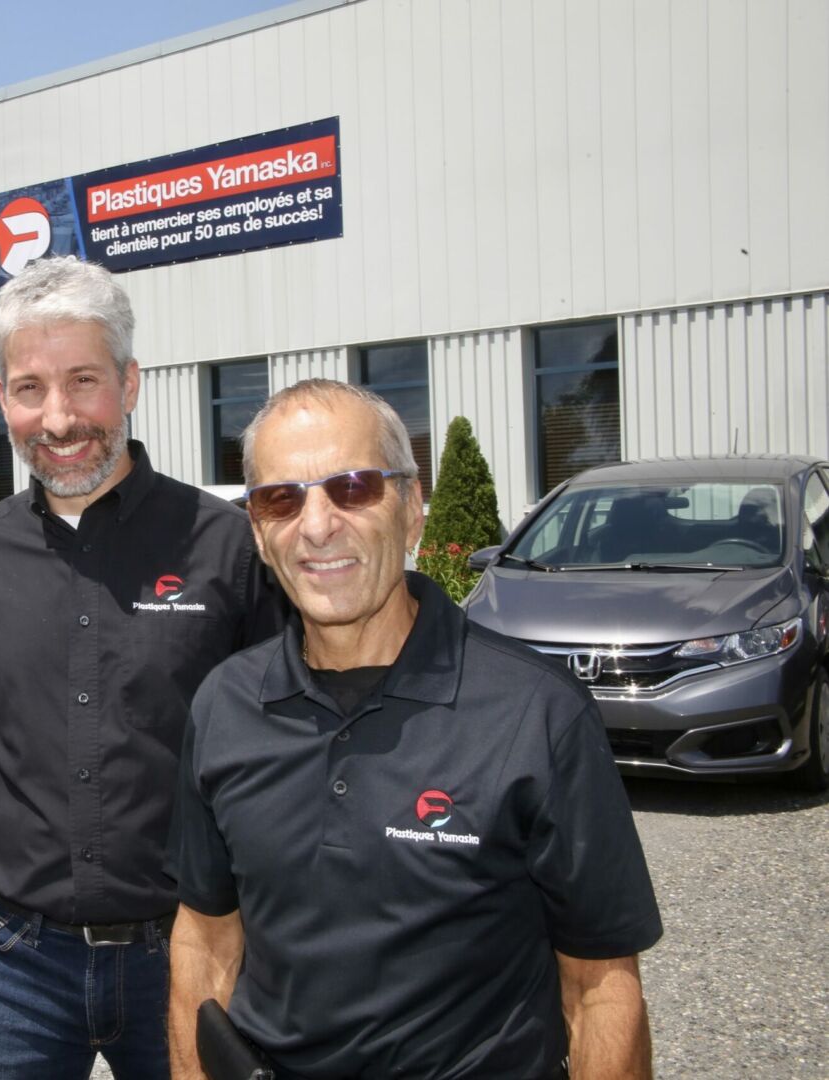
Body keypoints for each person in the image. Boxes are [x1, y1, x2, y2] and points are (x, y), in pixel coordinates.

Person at [167, 379, 662, 1079]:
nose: (316, 525)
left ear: (411, 510)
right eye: (282, 499)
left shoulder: (538, 714)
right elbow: (205, 942)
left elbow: (601, 988)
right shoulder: (224, 705)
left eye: (353, 487)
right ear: (258, 531)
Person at [0, 256, 283, 1079]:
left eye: (84, 381)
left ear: (130, 383)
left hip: (191, 950)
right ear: (2, 401)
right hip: (6, 963)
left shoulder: (227, 547)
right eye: (30, 388)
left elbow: (285, 757)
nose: (58, 417)